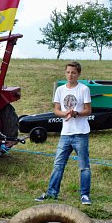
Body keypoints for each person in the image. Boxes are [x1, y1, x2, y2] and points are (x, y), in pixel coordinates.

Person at [35, 61, 93, 205]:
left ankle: (85, 195)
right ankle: (52, 193)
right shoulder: (60, 90)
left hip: (81, 133)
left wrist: (76, 113)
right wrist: (65, 113)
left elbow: (88, 110)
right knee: (58, 165)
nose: (70, 75)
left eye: (73, 73)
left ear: (78, 74)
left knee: (84, 166)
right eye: (68, 72)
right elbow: (56, 109)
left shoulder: (84, 89)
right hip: (65, 134)